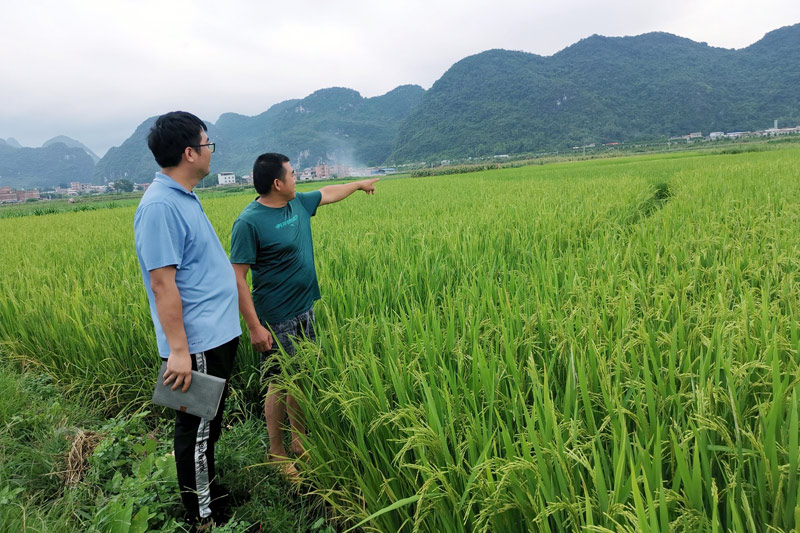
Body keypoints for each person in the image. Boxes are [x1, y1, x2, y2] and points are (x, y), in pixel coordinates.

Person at [230, 153, 378, 478]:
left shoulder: (296, 203)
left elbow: (328, 192)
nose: (298, 178)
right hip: (275, 316)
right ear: (277, 183)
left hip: (304, 307)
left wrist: (358, 185)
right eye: (293, 174)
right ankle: (277, 452)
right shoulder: (249, 222)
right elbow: (237, 277)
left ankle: (298, 439)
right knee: (278, 383)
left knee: (301, 375)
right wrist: (254, 326)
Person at [133, 111, 241, 528]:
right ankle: (203, 516)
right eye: (207, 144)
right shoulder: (160, 205)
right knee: (195, 431)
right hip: (195, 343)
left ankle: (208, 492)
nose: (211, 152)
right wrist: (179, 350)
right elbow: (163, 284)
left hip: (214, 334)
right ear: (190, 152)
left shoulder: (181, 196)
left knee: (206, 427)